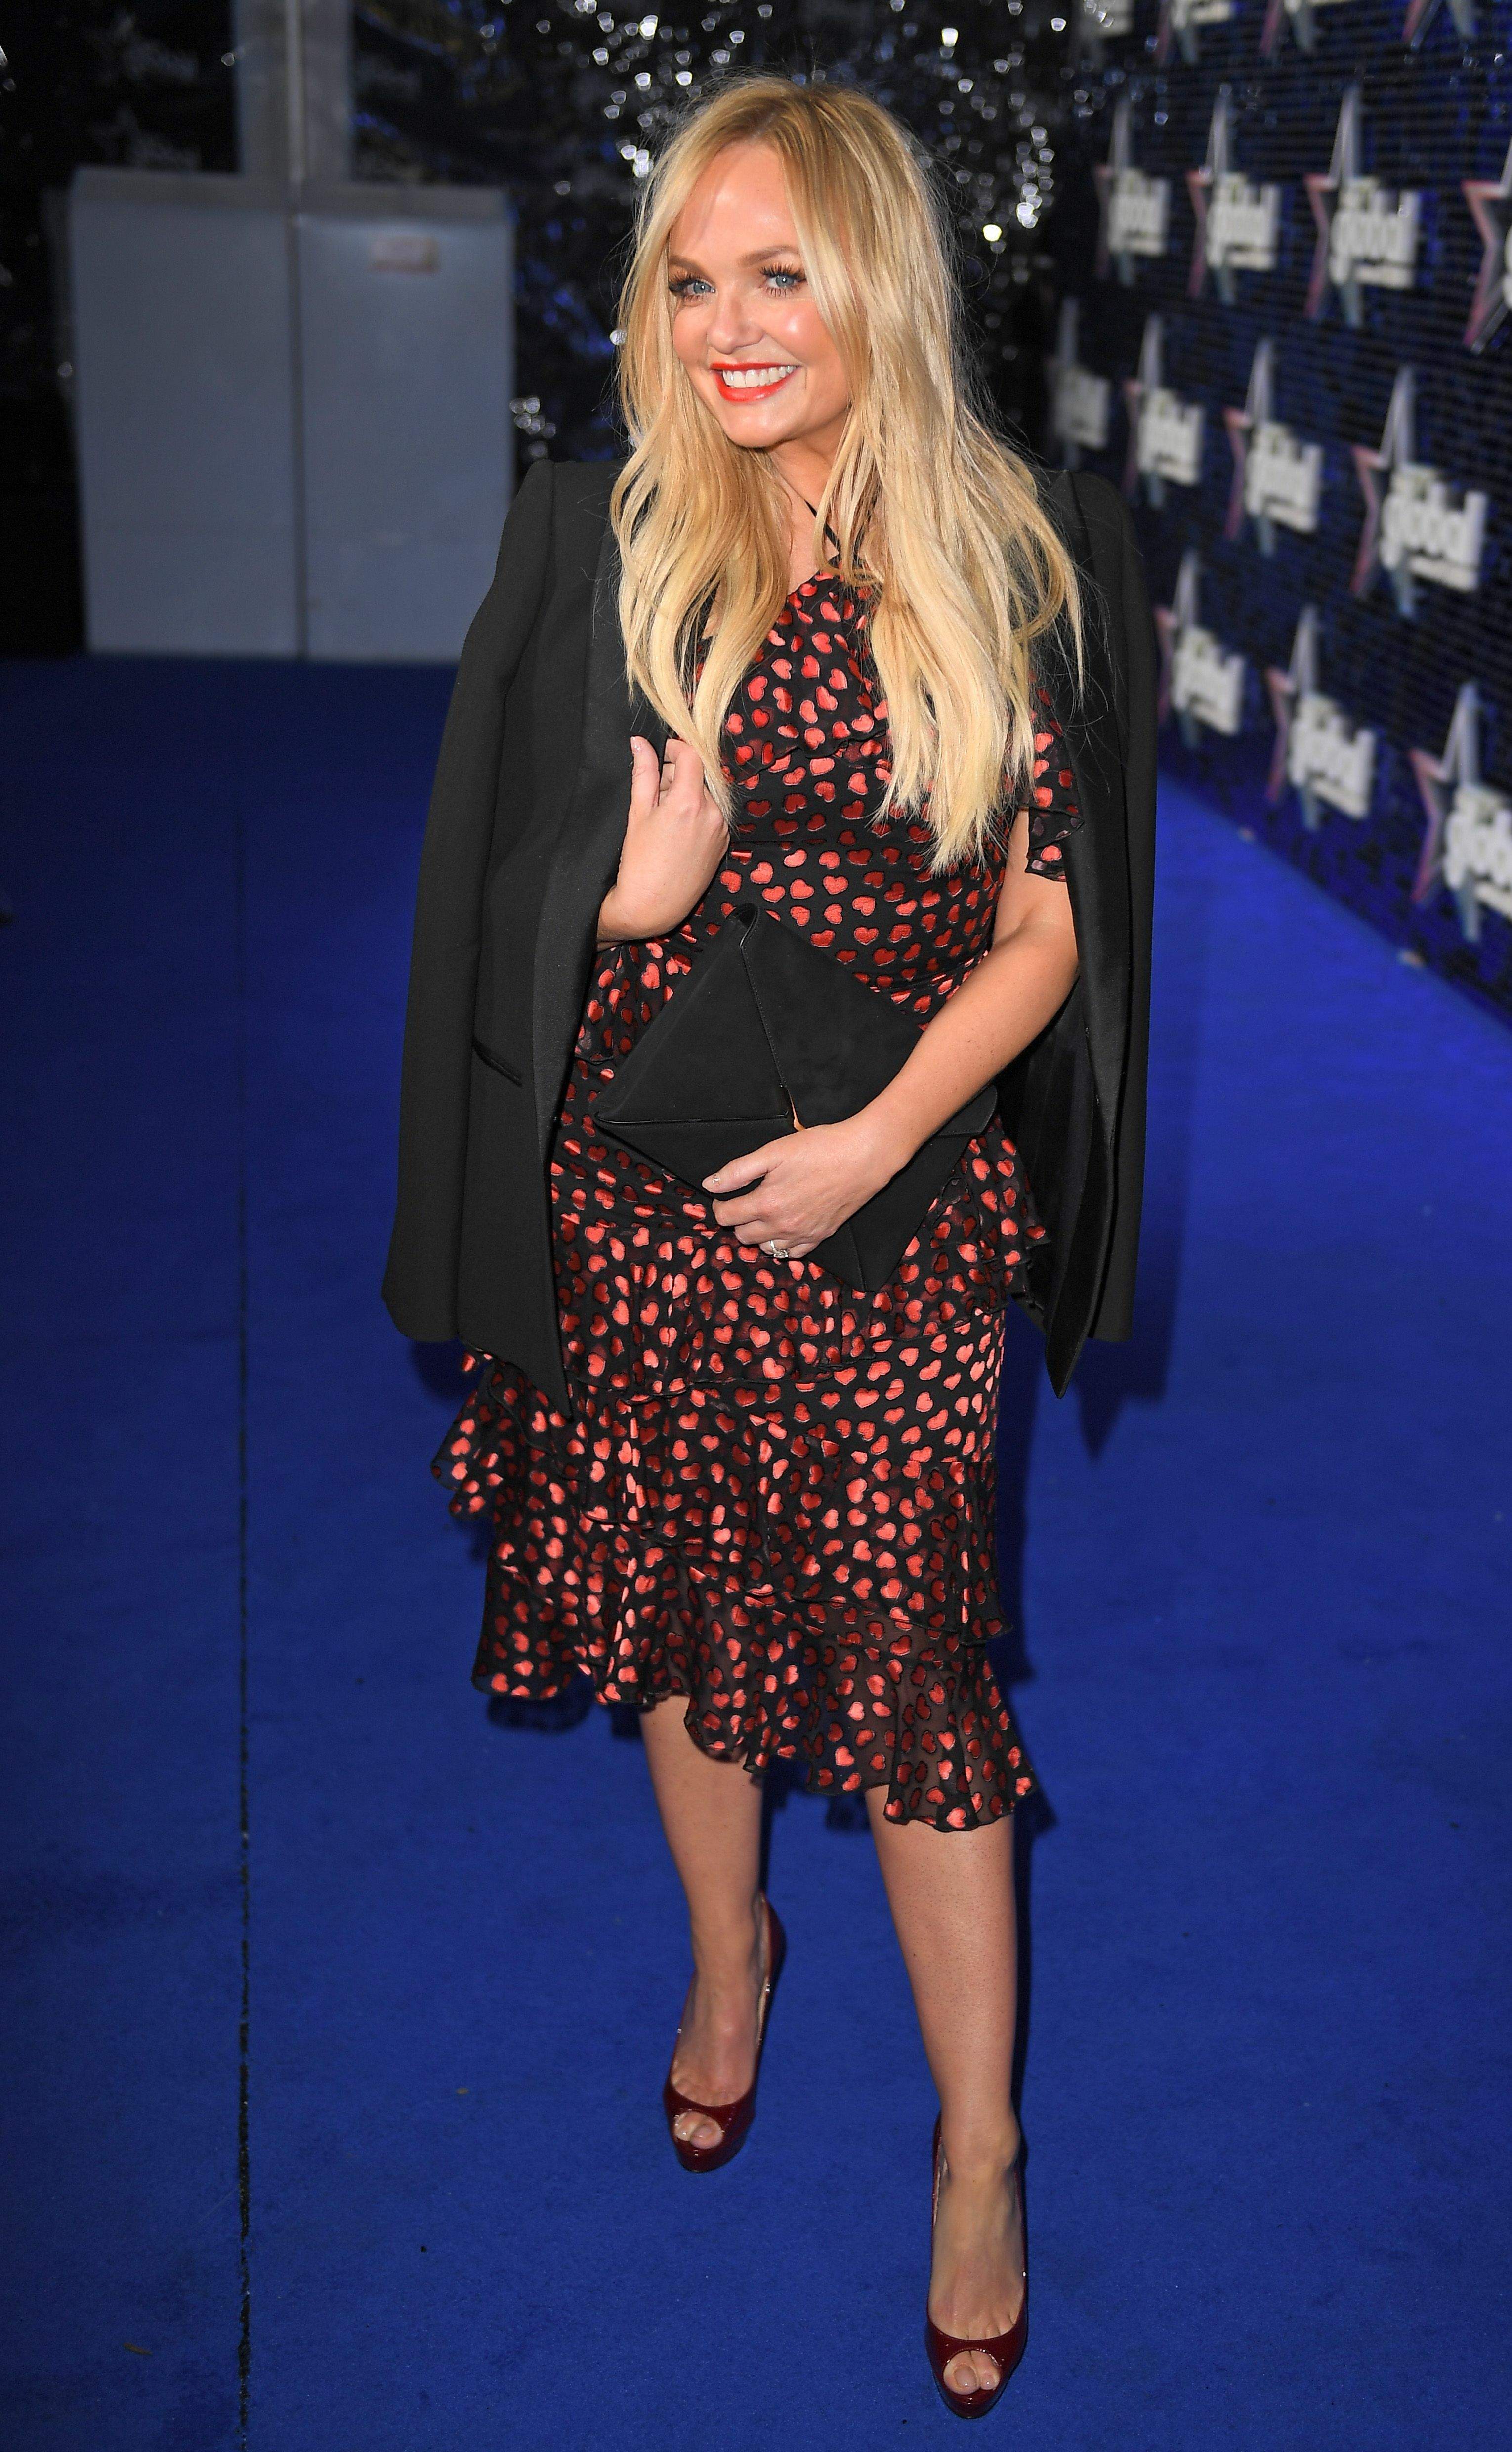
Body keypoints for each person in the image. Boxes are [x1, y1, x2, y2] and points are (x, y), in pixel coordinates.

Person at [384, 74, 1155, 2419]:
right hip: (641, 1192)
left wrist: (883, 1133)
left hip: (894, 1206)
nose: (726, 326)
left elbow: (1048, 928)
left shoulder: (1023, 553)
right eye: (692, 279)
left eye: (780, 273)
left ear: (878, 280)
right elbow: (489, 885)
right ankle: (729, 1957)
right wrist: (617, 906)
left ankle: (982, 2149)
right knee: (678, 1612)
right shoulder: (603, 533)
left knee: (918, 1678)